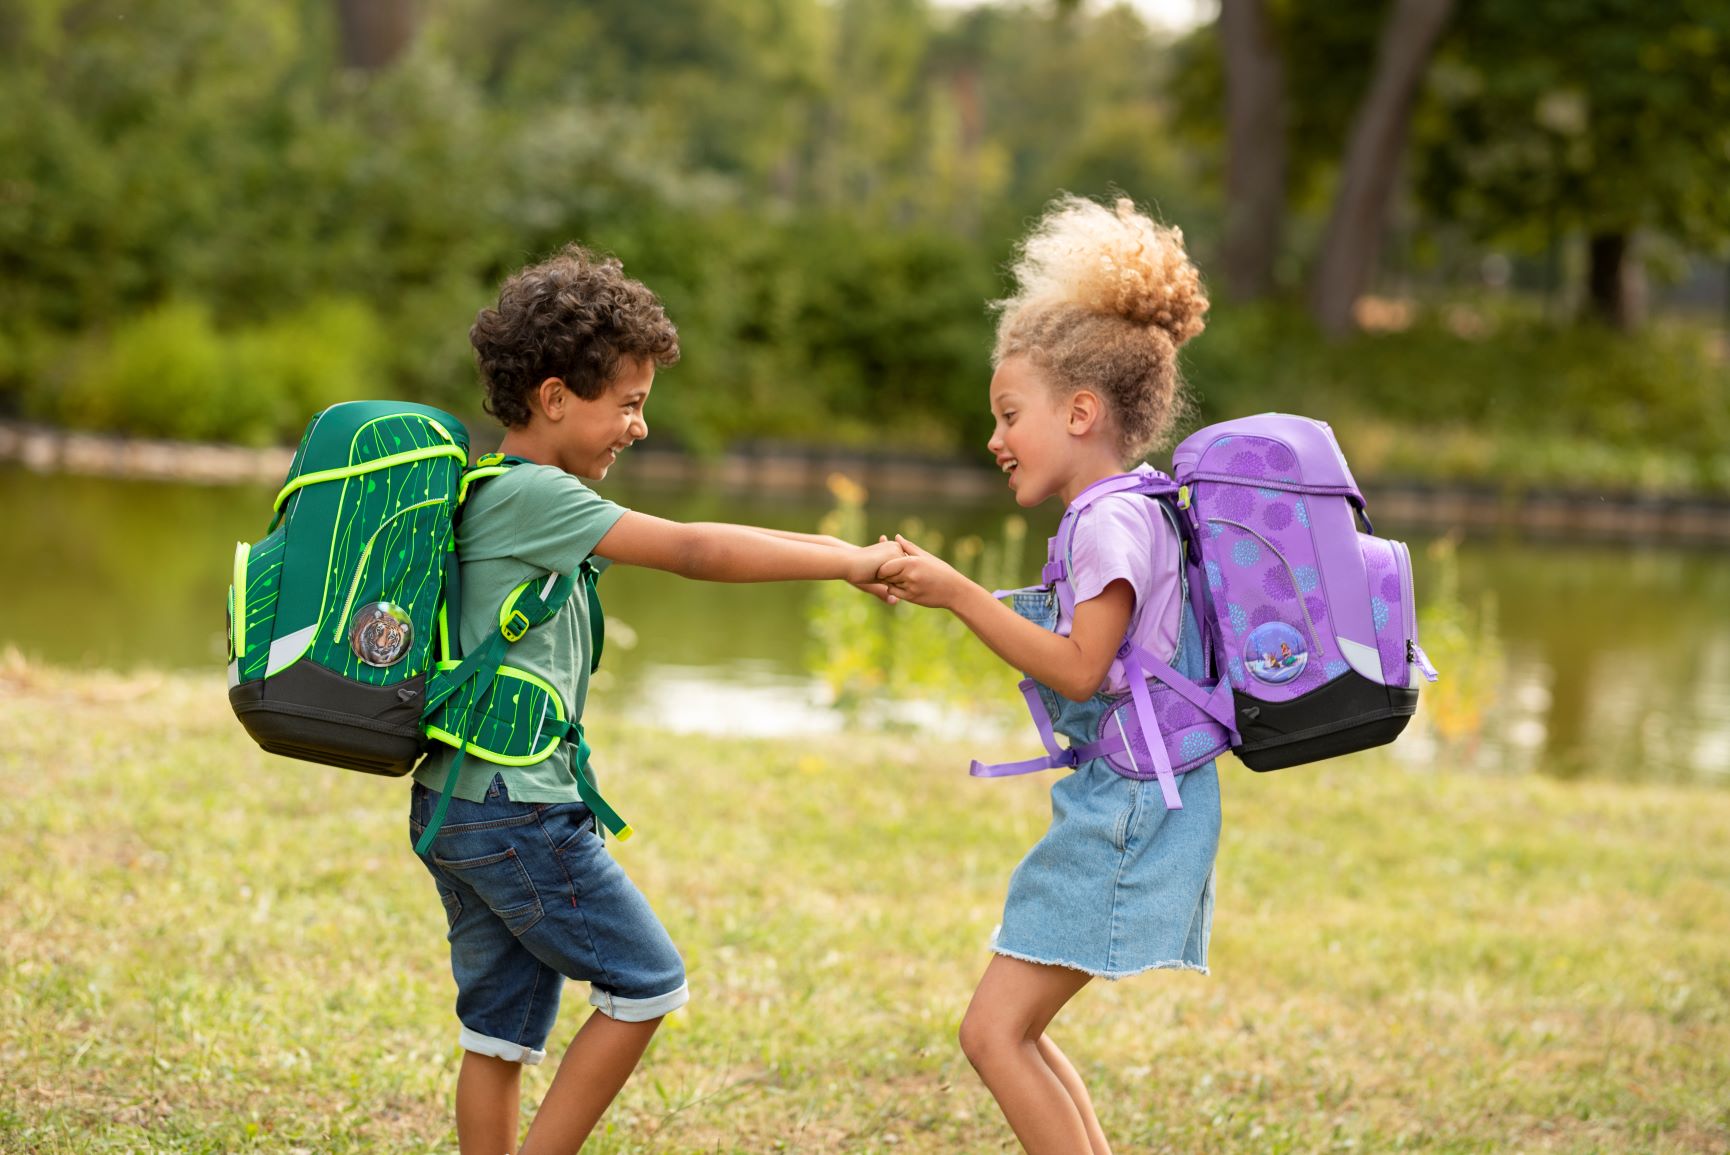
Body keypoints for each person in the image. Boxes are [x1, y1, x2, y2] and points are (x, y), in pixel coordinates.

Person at [409, 242, 899, 1155]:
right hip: (517, 811)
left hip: (458, 805)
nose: (638, 427)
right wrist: (847, 559)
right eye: (628, 404)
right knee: (647, 982)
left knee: (498, 1034)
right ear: (555, 397)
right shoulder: (539, 498)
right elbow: (694, 550)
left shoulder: (500, 494)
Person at [876, 195, 1217, 1155]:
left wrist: (956, 592)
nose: (996, 438)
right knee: (1013, 1030)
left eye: (1008, 414)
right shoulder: (1121, 511)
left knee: (992, 1031)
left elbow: (1081, 663)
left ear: (1080, 411)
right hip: (1125, 794)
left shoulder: (1113, 519)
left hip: (1132, 807)